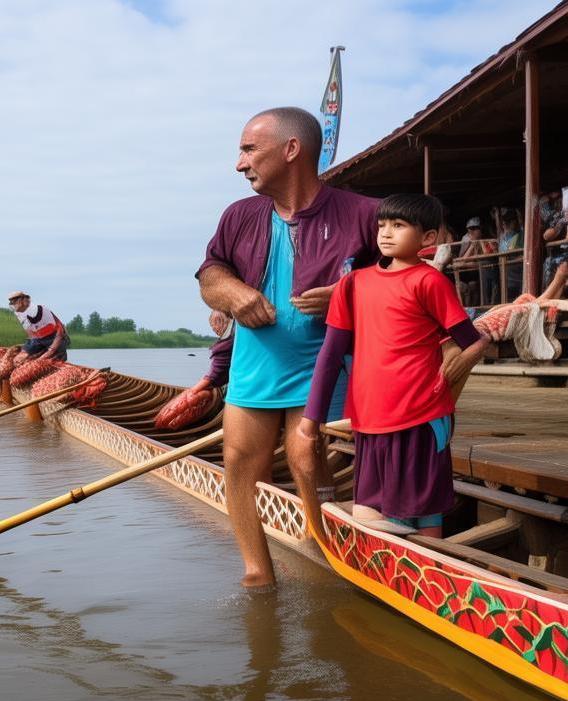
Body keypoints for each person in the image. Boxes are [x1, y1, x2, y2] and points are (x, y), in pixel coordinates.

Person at [195, 106, 381, 588]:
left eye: (250, 149)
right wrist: (232, 293)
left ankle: (325, 556)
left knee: (308, 459)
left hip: (325, 368)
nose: (240, 163)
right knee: (238, 463)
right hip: (254, 368)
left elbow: (407, 276)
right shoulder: (239, 216)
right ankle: (257, 571)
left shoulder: (363, 213)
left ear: (291, 150)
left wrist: (351, 291)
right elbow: (211, 273)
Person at [295, 193, 486, 538]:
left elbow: (472, 340)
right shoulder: (352, 284)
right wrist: (311, 420)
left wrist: (456, 370)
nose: (385, 233)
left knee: (425, 516)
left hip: (421, 419)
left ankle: (432, 575)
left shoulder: (429, 282)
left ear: (427, 239)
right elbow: (330, 353)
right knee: (368, 510)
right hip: (368, 420)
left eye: (398, 226)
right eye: (382, 224)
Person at [8, 290, 69, 361]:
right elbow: (29, 332)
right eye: (12, 303)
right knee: (18, 359)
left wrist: (51, 350)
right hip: (37, 339)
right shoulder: (18, 313)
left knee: (49, 361)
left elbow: (60, 333)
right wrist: (28, 348)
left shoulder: (40, 309)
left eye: (15, 302)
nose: (13, 305)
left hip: (55, 337)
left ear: (22, 300)